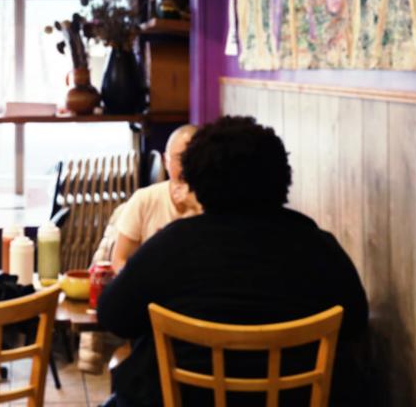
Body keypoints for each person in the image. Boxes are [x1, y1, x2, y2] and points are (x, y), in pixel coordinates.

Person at [97, 116, 369, 407]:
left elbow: (113, 315)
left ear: (198, 180)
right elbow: (355, 322)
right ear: (280, 177)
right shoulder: (318, 246)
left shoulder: (170, 245)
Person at [110, 123, 200, 273]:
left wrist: (197, 207)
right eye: (180, 158)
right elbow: (119, 260)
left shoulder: (212, 205)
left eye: (194, 157)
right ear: (166, 161)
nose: (187, 166)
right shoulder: (144, 199)